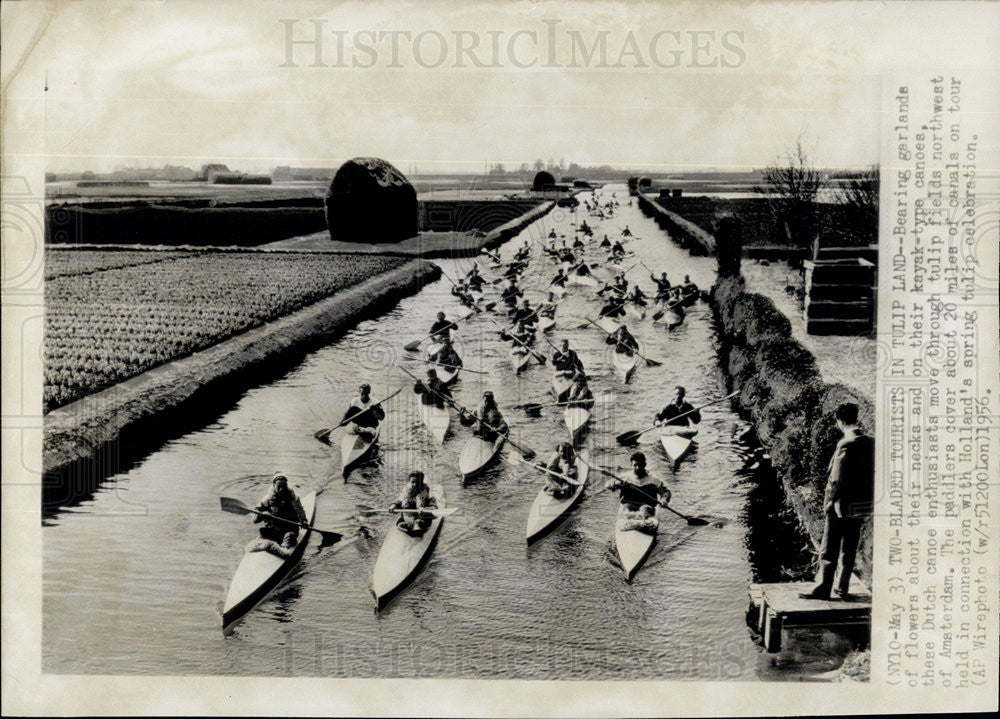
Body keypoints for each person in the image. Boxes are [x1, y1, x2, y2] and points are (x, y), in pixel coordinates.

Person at [800, 403, 875, 600]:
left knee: (829, 547)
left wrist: (828, 503)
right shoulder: (871, 442)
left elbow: (836, 479)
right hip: (860, 505)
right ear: (856, 418)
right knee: (849, 548)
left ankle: (823, 588)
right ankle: (842, 587)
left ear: (840, 421)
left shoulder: (845, 444)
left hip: (840, 504)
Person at [603, 452, 670, 532]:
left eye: (640, 465)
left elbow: (666, 492)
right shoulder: (624, 478)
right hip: (628, 506)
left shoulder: (654, 480)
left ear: (645, 464)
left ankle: (638, 525)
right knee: (627, 510)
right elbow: (607, 485)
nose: (638, 468)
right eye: (635, 465)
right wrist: (618, 483)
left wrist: (664, 500)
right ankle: (636, 525)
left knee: (645, 510)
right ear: (631, 465)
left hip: (646, 507)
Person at [253, 473, 308, 550]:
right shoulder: (267, 499)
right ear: (274, 485)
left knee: (290, 536)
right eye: (279, 487)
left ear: (286, 485)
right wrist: (262, 514)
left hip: (289, 529)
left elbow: (299, 510)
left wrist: (303, 521)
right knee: (262, 531)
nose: (281, 490)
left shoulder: (293, 498)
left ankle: (285, 549)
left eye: (284, 487)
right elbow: (255, 519)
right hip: (274, 530)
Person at [392, 470, 438, 536]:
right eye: (413, 482)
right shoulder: (407, 491)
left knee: (419, 522)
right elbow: (400, 500)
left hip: (422, 518)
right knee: (402, 521)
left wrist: (426, 509)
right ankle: (409, 526)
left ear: (421, 482)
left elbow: (433, 505)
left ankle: (416, 527)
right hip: (408, 518)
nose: (415, 485)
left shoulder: (428, 492)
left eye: (417, 482)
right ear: (410, 482)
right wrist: (393, 505)